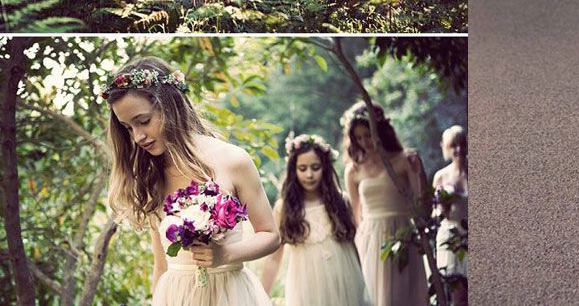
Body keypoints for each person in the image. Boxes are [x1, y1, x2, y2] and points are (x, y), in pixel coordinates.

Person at [103, 57, 278, 304]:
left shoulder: (233, 160)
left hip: (229, 295)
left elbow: (270, 235)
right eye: (128, 128)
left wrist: (226, 254)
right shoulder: (149, 174)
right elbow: (161, 264)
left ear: (170, 105)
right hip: (177, 297)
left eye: (143, 121)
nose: (138, 136)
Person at [260, 133, 368, 306]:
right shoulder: (284, 209)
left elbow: (353, 245)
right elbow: (274, 258)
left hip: (345, 280)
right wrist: (261, 295)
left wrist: (362, 279)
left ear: (325, 167)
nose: (309, 174)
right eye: (302, 168)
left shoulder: (341, 201)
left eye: (315, 167)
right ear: (293, 170)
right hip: (307, 286)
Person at [342, 102, 429, 306]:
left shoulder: (404, 160)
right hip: (371, 238)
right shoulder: (353, 170)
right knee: (377, 297)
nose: (365, 141)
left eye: (369, 134)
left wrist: (420, 172)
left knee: (403, 295)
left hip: (401, 233)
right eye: (359, 137)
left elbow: (421, 205)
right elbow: (356, 216)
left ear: (380, 130)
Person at [431, 126, 468, 305]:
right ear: (446, 148)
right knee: (458, 295)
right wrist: (442, 208)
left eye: (462, 144)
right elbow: (435, 212)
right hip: (451, 238)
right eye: (453, 145)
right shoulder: (441, 176)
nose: (458, 149)